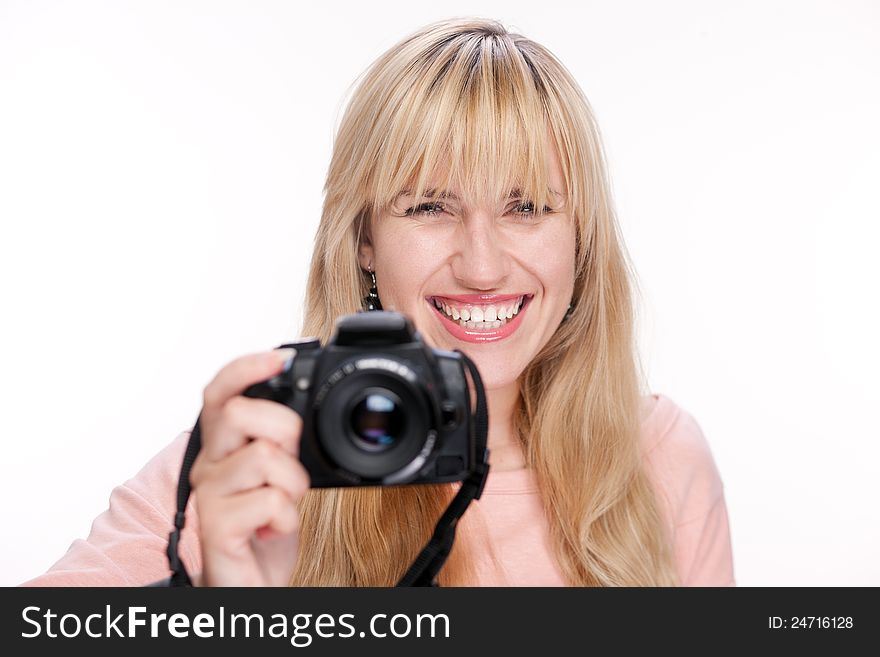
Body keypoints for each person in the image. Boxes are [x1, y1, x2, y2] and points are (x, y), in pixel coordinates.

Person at [22, 17, 734, 587]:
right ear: (364, 238)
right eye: (430, 205)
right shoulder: (254, 458)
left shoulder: (658, 456)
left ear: (580, 238)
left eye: (526, 206)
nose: (482, 266)